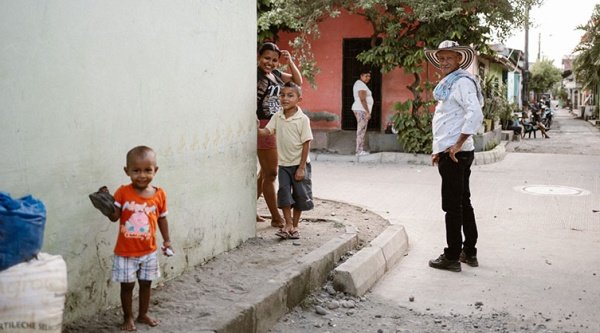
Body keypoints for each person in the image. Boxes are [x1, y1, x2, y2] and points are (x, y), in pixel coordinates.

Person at [92, 146, 173, 331]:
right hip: (126, 252)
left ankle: (143, 314)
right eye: (136, 171)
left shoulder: (160, 194)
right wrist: (106, 203)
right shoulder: (123, 192)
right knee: (127, 286)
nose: (142, 175)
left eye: (147, 170)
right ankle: (127, 317)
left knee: (146, 284)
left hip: (149, 251)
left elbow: (162, 218)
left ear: (155, 170)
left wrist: (167, 240)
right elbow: (115, 217)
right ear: (126, 171)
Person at [424, 40, 484, 272]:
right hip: (450, 151)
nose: (445, 61)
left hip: (456, 153)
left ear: (459, 59)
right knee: (462, 202)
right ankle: (469, 252)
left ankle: (451, 256)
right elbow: (447, 119)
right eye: (442, 58)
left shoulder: (461, 83)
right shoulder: (451, 83)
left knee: (453, 206)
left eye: (450, 57)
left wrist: (456, 144)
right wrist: (437, 150)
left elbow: (474, 113)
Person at [258, 82, 314, 239]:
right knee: (283, 195)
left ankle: (295, 226)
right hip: (283, 165)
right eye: (282, 95)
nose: (285, 98)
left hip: (299, 165)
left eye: (290, 95)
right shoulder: (278, 116)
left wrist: (302, 168)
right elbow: (267, 131)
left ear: (299, 99)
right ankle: (287, 224)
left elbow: (306, 143)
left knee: (300, 196)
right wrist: (257, 129)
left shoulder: (303, 119)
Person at [256, 42, 303, 228]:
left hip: (276, 124)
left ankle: (251, 211)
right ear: (259, 57)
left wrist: (290, 61)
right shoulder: (255, 76)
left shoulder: (274, 74)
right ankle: (276, 217)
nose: (270, 62)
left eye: (275, 60)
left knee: (264, 173)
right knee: (272, 173)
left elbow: (298, 82)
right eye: (267, 58)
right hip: (263, 125)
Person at [351, 69, 374, 156]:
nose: (368, 78)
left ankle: (359, 150)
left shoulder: (360, 84)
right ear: (361, 76)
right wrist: (368, 112)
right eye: (366, 76)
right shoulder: (360, 85)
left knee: (361, 129)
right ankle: (359, 151)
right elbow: (362, 99)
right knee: (361, 130)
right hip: (361, 109)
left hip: (360, 109)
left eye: (369, 76)